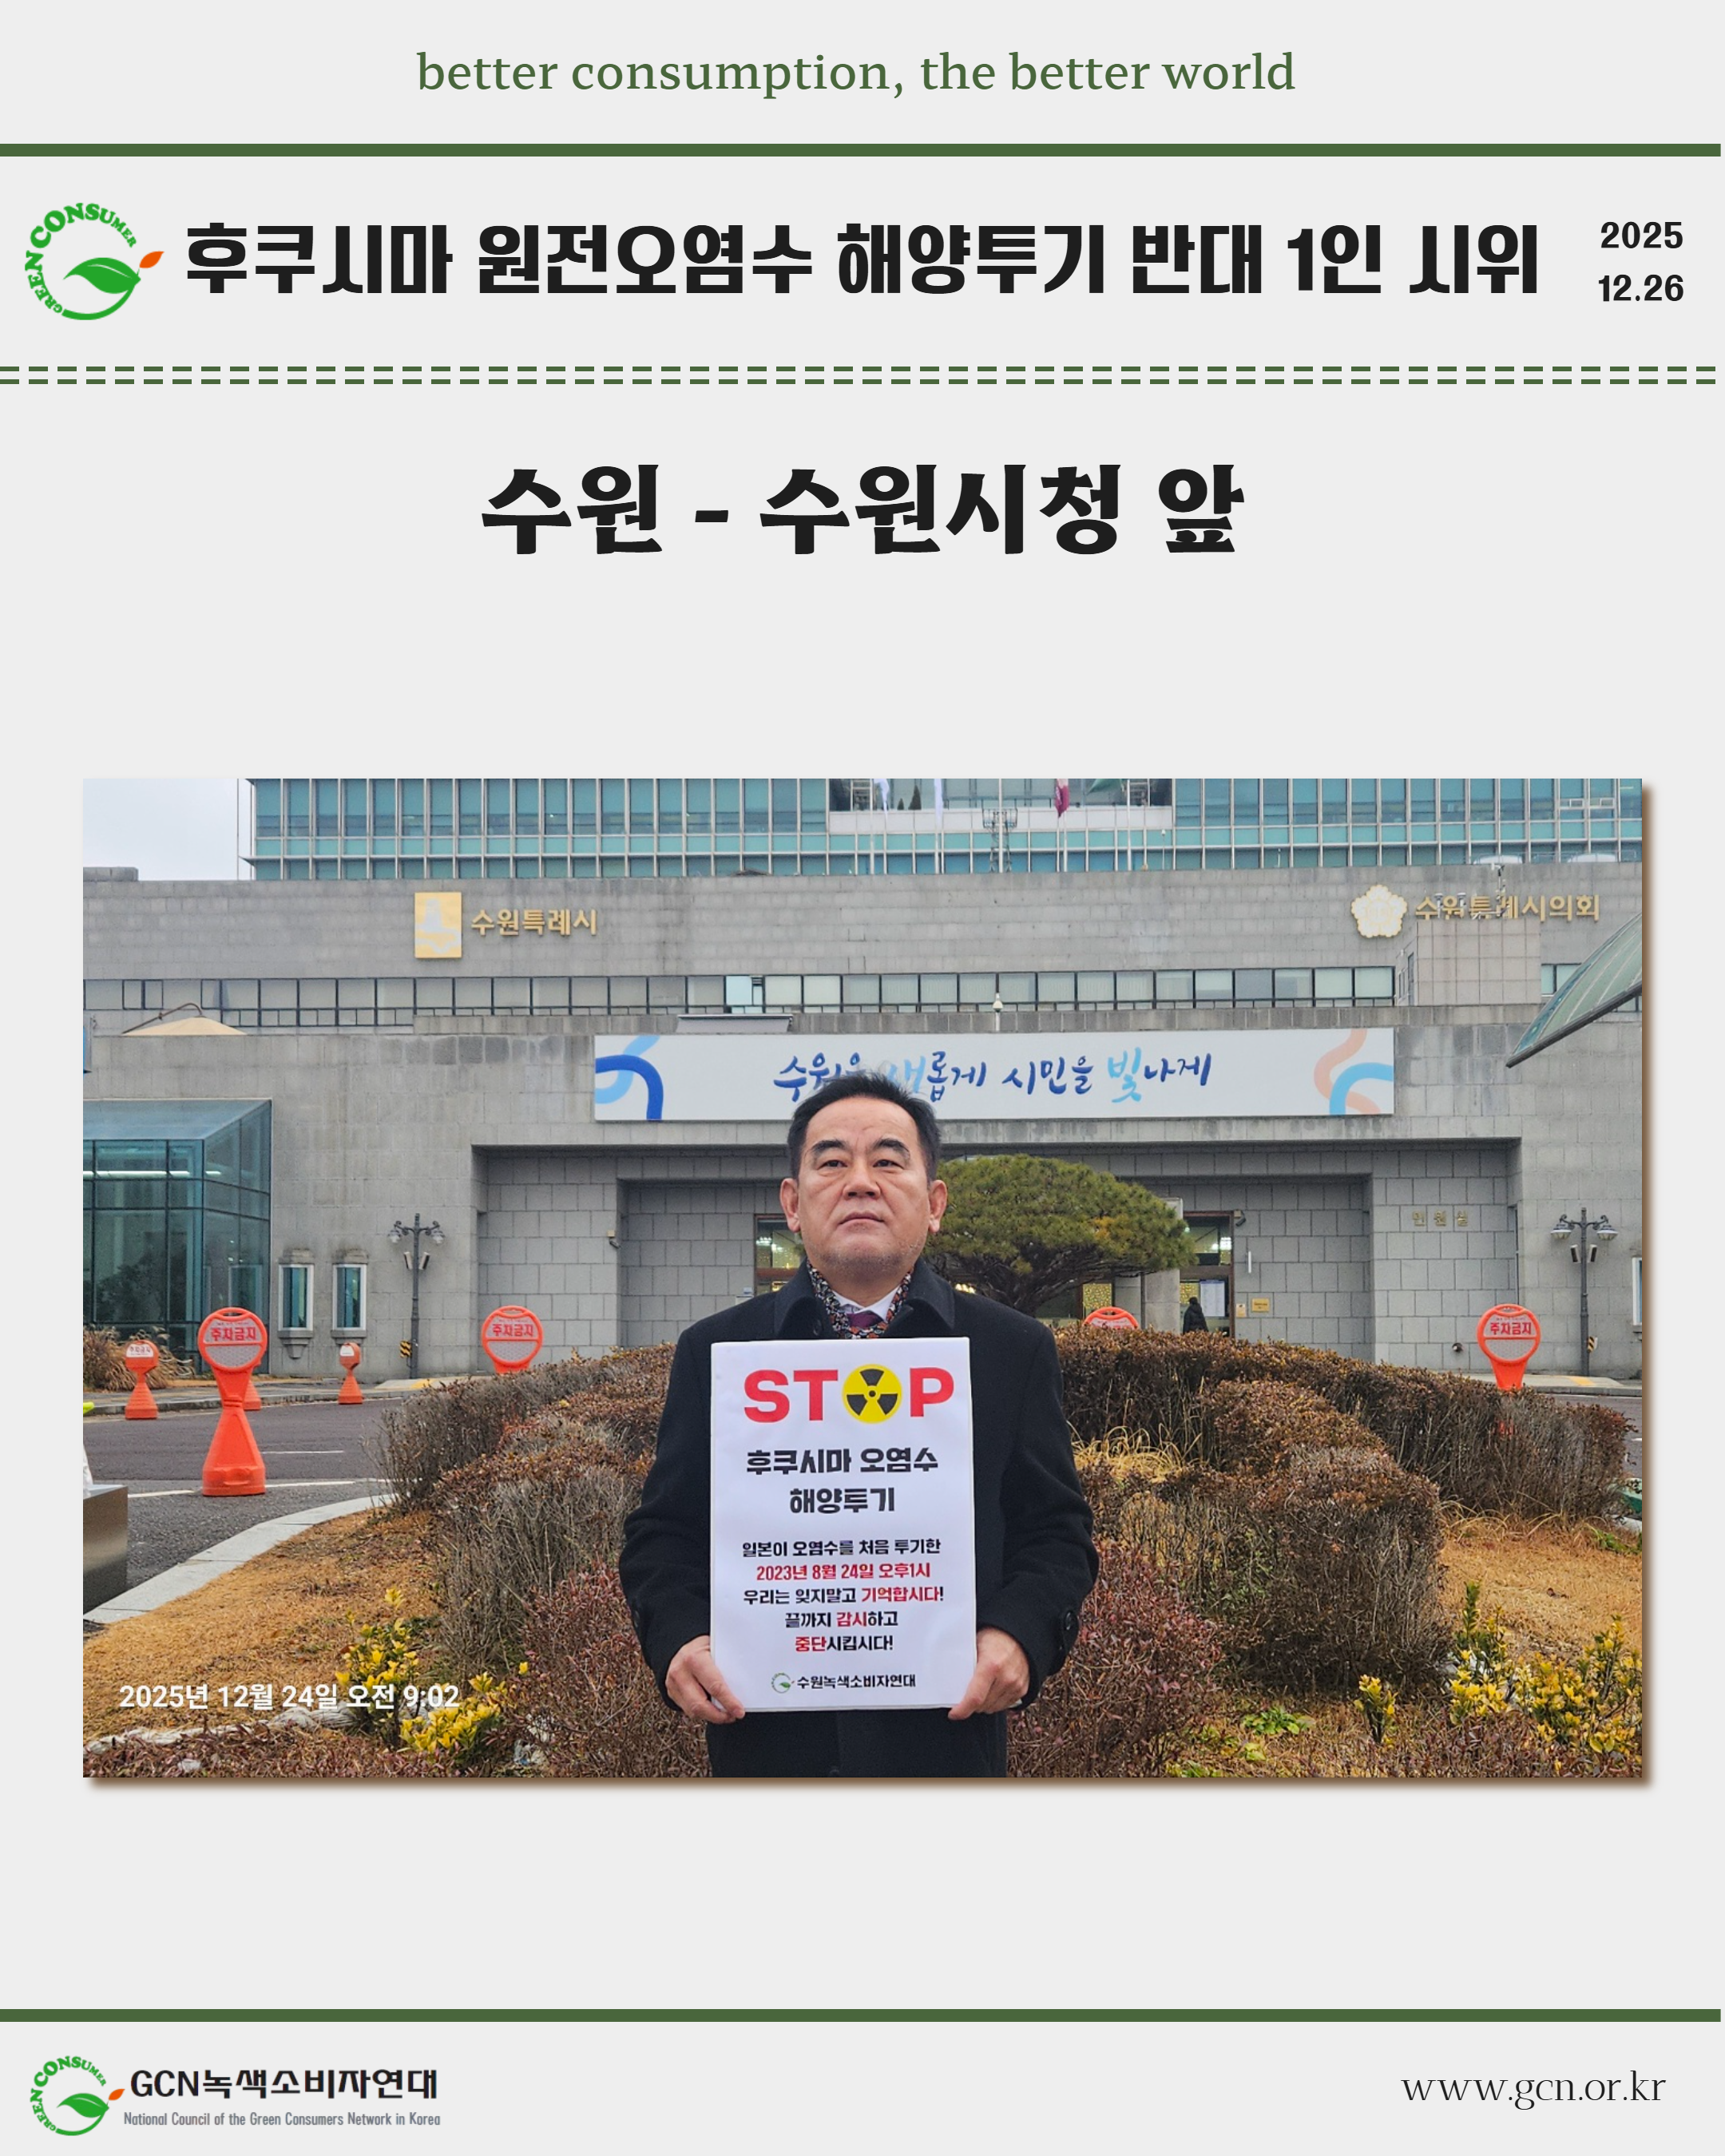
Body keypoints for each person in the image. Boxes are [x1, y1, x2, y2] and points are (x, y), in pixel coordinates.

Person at [619, 1071, 1097, 1777]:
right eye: (834, 1162)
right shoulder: (718, 1352)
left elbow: (1055, 1533)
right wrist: (680, 1638)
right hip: (768, 1748)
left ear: (934, 1203)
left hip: (945, 1748)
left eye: (889, 1161)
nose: (861, 1183)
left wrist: (1019, 1636)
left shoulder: (1009, 1350)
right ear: (792, 1203)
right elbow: (665, 1534)